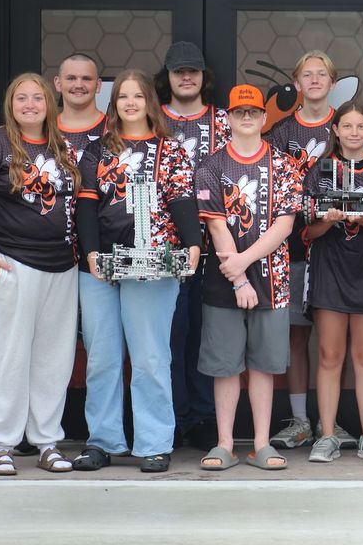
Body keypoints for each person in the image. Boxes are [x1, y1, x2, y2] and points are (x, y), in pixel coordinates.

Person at [72, 69, 202, 473]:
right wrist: (91, 253)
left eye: (138, 96)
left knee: (149, 357)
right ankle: (103, 441)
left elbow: (181, 200)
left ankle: (153, 443)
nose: (130, 103)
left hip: (153, 264)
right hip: (101, 266)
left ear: (150, 102)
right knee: (103, 357)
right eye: (123, 97)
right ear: (114, 105)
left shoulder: (171, 150)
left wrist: (193, 243)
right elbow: (87, 205)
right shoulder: (97, 151)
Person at [0, 73, 82, 476]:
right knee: (8, 356)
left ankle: (47, 442)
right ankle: (4, 445)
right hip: (11, 263)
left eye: (37, 98)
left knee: (53, 360)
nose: (30, 105)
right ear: (11, 104)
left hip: (62, 267)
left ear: (50, 102)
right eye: (21, 98)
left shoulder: (63, 146)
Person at [193, 84, 301, 471]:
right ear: (228, 117)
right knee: (225, 365)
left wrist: (245, 264)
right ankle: (224, 443)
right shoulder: (211, 166)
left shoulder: (284, 165)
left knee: (263, 365)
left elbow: (285, 224)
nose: (247, 118)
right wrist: (237, 278)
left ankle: (261, 444)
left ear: (263, 116)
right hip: (223, 281)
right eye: (239, 112)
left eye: (253, 112)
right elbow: (216, 225)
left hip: (272, 278)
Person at [266, 51, 352, 451]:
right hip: (294, 248)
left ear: (333, 83)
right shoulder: (281, 133)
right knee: (298, 338)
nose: (315, 80)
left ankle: (335, 422)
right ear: (296, 84)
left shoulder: (348, 127)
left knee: (341, 342)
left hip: (343, 248)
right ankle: (301, 420)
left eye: (322, 74)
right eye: (307, 75)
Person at [303, 101, 363, 464]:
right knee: (329, 355)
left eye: (361, 127)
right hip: (328, 267)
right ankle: (327, 435)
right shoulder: (319, 170)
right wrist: (328, 218)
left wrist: (362, 215)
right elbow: (307, 230)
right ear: (335, 130)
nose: (354, 133)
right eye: (347, 127)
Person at [154, 41, 229, 452]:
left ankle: (202, 417)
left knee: (206, 334)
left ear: (203, 76)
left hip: (217, 244)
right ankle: (172, 416)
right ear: (166, 76)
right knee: (168, 334)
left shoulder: (224, 121)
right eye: (179, 71)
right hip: (165, 245)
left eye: (193, 71)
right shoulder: (152, 119)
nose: (186, 77)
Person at [54, 53, 105, 160]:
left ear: (98, 85)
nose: (78, 85)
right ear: (58, 84)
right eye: (71, 78)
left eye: (86, 79)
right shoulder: (45, 130)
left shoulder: (115, 129)